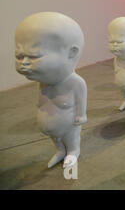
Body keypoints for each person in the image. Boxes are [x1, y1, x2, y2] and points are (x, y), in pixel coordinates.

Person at [15, 12, 87, 169]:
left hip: (69, 124)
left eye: (34, 57)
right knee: (56, 140)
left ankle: (73, 151)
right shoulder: (43, 81)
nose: (24, 63)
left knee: (71, 139)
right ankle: (60, 151)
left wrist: (81, 115)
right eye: (19, 56)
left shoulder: (75, 82)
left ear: (71, 53)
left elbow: (81, 101)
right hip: (50, 126)